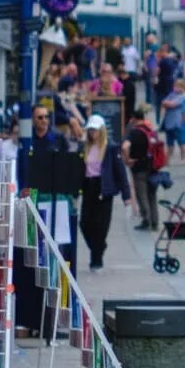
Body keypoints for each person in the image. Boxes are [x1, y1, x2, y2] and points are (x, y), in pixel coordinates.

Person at [78, 115, 132, 272]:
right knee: (85, 223)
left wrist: (126, 197)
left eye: (95, 130)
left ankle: (96, 260)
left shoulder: (111, 148)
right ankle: (99, 247)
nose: (92, 133)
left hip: (104, 189)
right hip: (88, 187)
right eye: (90, 130)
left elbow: (120, 173)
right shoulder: (84, 147)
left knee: (100, 227)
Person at [123, 106, 163, 232]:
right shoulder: (150, 130)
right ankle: (155, 221)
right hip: (153, 167)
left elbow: (125, 146)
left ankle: (147, 220)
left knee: (142, 195)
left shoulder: (134, 132)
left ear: (133, 119)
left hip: (139, 167)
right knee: (152, 195)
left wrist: (127, 160)